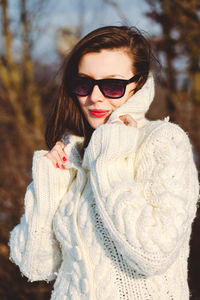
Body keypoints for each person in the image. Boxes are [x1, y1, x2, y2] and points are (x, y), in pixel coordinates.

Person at [9, 26, 199, 300]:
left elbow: (154, 254)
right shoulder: (75, 155)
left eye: (112, 85)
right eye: (84, 84)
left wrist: (109, 162)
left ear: (139, 84)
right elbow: (35, 267)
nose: (94, 97)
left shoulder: (163, 142)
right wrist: (49, 190)